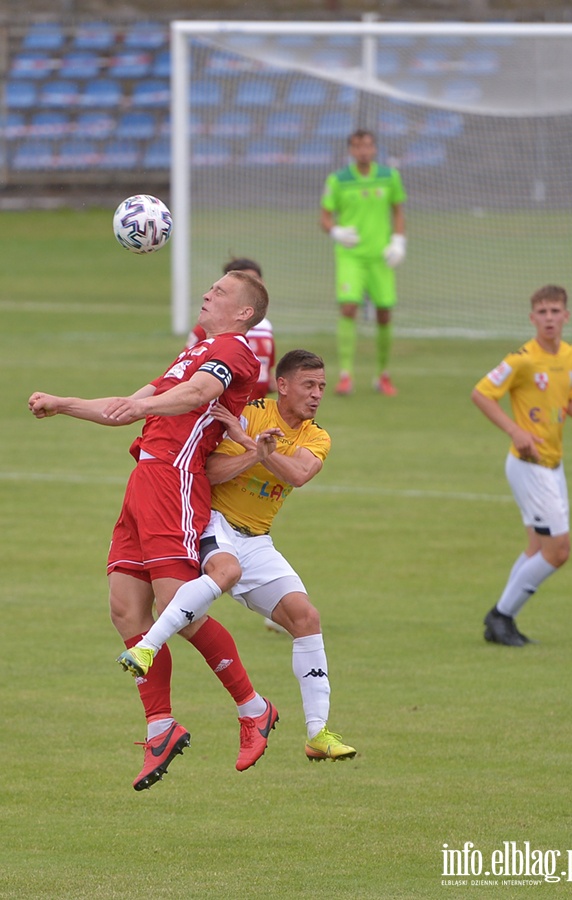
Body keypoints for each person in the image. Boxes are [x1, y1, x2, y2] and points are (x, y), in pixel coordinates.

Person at [28, 271, 279, 789]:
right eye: (210, 286)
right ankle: (161, 726)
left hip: (176, 482)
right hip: (143, 481)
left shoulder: (236, 350)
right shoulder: (194, 352)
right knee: (125, 608)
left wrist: (143, 406)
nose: (208, 293)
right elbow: (128, 406)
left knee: (176, 609)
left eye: (221, 290)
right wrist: (64, 404)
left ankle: (254, 708)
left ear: (244, 313)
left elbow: (197, 394)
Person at [118, 349, 357, 762]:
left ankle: (318, 733)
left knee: (306, 617)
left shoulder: (317, 436)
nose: (317, 394)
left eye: (321, 386)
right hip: (214, 523)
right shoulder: (249, 413)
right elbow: (207, 473)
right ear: (282, 385)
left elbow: (298, 475)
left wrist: (253, 448)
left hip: (259, 538)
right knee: (225, 570)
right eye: (308, 385)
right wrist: (254, 449)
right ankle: (148, 647)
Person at [472, 285, 572, 647]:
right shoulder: (521, 360)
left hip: (553, 466)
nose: (549, 318)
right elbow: (481, 393)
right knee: (558, 551)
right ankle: (501, 615)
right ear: (532, 318)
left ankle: (501, 618)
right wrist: (515, 431)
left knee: (535, 547)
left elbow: (569, 399)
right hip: (530, 466)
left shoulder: (570, 355)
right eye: (542, 312)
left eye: (555, 311)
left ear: (566, 316)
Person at [187, 256, 282, 635]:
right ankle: (207, 567)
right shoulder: (205, 333)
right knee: (218, 500)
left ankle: (225, 576)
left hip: (249, 420)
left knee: (252, 506)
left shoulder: (263, 332)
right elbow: (191, 372)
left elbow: (269, 378)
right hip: (222, 421)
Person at [320, 129, 407, 397]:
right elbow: (324, 216)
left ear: (375, 149)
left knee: (384, 313)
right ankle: (346, 375)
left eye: (368, 145)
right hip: (351, 256)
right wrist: (335, 231)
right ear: (350, 150)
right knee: (348, 308)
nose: (363, 151)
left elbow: (398, 210)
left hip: (380, 257)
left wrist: (398, 241)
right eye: (358, 146)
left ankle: (382, 375)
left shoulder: (389, 176)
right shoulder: (338, 180)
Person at [186, 257, 276, 401]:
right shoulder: (207, 328)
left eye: (255, 279)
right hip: (224, 410)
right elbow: (185, 370)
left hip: (255, 411)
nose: (253, 285)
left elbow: (267, 374)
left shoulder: (265, 328)